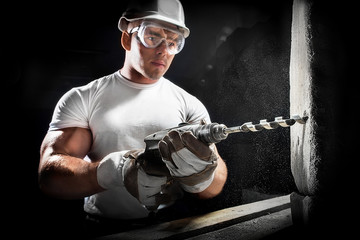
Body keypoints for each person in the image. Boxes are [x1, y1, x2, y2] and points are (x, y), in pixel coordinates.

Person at [38, 0, 227, 237]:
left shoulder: (188, 105)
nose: (163, 50)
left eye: (173, 42)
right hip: (104, 230)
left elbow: (215, 184)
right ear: (127, 37)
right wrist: (116, 170)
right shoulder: (83, 98)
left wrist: (200, 175)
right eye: (153, 36)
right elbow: (49, 177)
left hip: (171, 226)